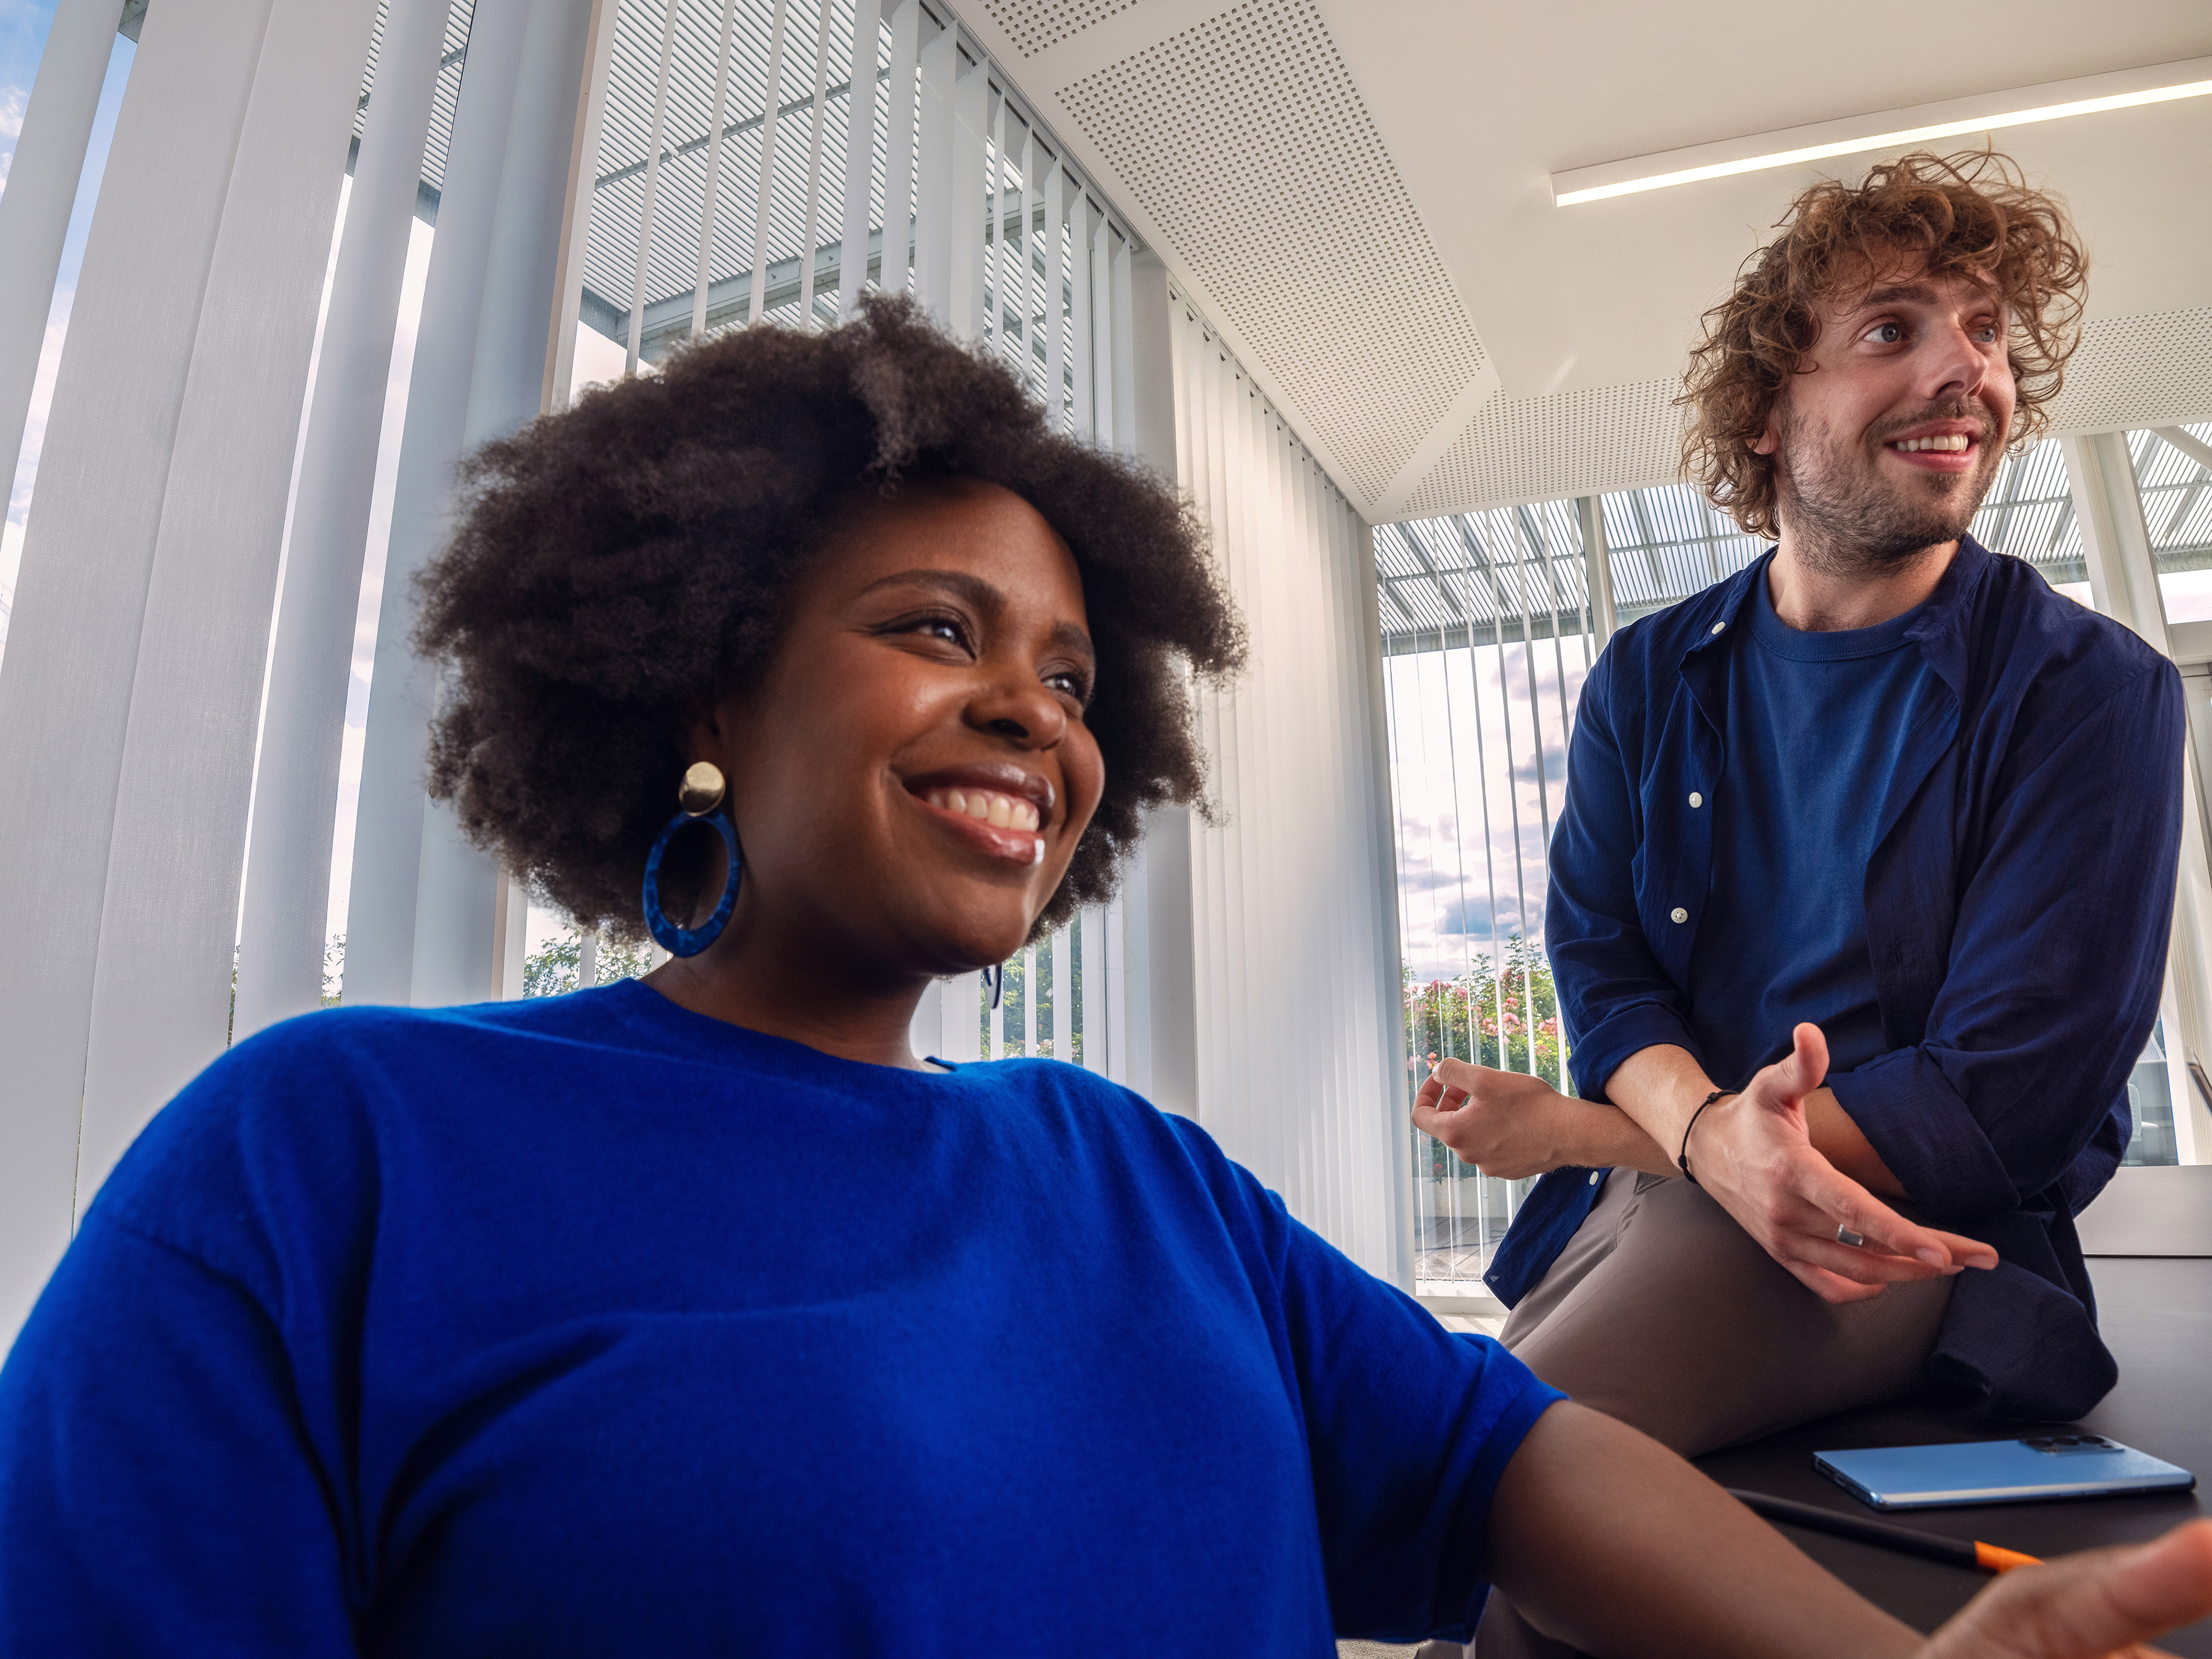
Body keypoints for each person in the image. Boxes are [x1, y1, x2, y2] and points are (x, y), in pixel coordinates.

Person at [0, 296, 2205, 1657]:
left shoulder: (1130, 1170)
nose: (1032, 719)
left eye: (1071, 675)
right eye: (935, 631)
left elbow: (1515, 1456)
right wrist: (1660, 1117)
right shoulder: (322, 1159)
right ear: (702, 677)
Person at [1413, 152, 2186, 1651]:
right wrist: (1699, 1136)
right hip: (1656, 1191)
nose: (1967, 365)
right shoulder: (1649, 676)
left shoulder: (2093, 694)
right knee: (1440, 1467)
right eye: (1894, 329)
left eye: (1987, 331)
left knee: (1489, 1498)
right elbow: (1603, 960)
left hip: (1882, 1225)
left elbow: (2003, 1102)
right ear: (1768, 412)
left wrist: (1626, 1132)